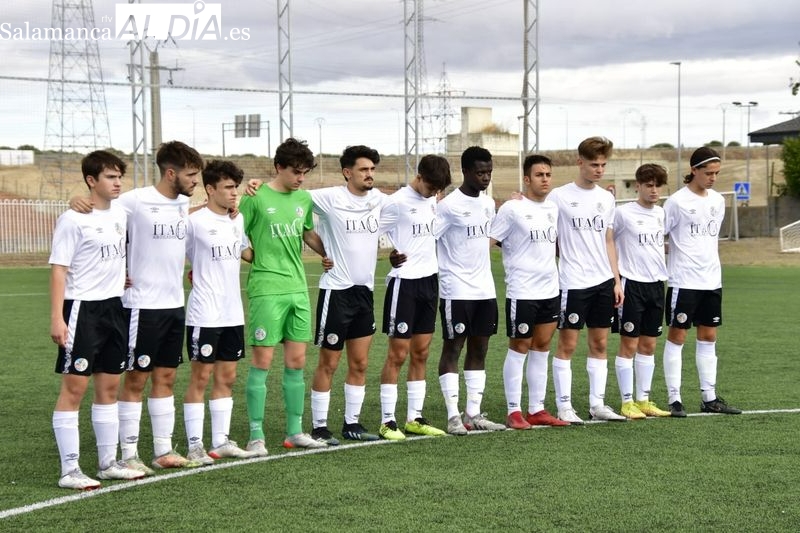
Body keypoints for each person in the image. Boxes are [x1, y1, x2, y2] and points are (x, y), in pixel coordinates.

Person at [50, 151, 145, 489]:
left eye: (119, 176)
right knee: (75, 386)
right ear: (92, 181)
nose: (117, 182)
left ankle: (108, 463)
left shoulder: (121, 212)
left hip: (114, 308)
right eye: (109, 177)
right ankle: (69, 470)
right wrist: (57, 319)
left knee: (109, 386)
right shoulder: (73, 219)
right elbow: (59, 270)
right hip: (81, 310)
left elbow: (168, 205)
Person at [238, 139, 330, 454]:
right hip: (266, 289)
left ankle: (294, 431)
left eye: (304, 173)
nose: (300, 178)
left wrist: (324, 253)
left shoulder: (303, 199)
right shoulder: (255, 197)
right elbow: (235, 233)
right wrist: (255, 258)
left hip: (298, 288)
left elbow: (306, 232)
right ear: (279, 167)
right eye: (296, 172)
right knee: (262, 361)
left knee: (297, 362)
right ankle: (256, 435)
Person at [117, 141, 203, 472]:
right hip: (141, 305)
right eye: (191, 174)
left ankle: (163, 450)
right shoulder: (134, 201)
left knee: (166, 375)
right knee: (136, 378)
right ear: (171, 173)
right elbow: (99, 218)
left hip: (173, 304)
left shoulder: (181, 204)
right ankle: (128, 453)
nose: (195, 181)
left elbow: (195, 215)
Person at [309, 145, 399, 444]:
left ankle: (353, 424)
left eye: (372, 169)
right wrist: (322, 249)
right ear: (348, 172)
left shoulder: (379, 200)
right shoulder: (330, 198)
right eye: (364, 169)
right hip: (336, 291)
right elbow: (292, 204)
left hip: (364, 292)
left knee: (359, 363)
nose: (370, 174)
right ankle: (320, 427)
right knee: (329, 363)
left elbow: (413, 203)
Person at [547, 136, 626, 424]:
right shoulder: (559, 196)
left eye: (603, 164)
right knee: (567, 345)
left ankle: (597, 404)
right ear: (580, 162)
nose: (599, 169)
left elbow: (608, 240)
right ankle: (564, 406)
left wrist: (616, 281)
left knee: (601, 344)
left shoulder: (606, 198)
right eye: (594, 164)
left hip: (603, 282)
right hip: (572, 282)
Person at [182, 160, 256, 465]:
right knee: (201, 377)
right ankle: (195, 445)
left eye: (235, 188)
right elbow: (169, 249)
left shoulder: (236, 221)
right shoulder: (193, 223)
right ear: (209, 189)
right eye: (227, 188)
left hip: (232, 313)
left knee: (228, 377)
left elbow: (248, 254)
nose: (233, 193)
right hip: (204, 314)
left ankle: (221, 441)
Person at [490, 154, 570, 429]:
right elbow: (492, 240)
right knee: (519, 348)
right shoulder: (512, 208)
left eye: (548, 174)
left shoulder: (553, 209)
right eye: (539, 175)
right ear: (527, 179)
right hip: (522, 290)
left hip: (550, 289)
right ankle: (514, 410)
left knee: (542, 348)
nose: (545, 179)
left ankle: (536, 408)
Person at [661, 147, 741, 416]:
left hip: (711, 279)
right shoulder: (675, 202)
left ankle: (710, 397)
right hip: (683, 280)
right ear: (694, 170)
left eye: (717, 173)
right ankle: (674, 398)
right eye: (708, 173)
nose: (713, 178)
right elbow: (657, 237)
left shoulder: (718, 201)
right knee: (678, 336)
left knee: (708, 336)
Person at [377, 155, 452, 440]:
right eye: (431, 186)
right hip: (404, 284)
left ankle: (414, 418)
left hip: (429, 282)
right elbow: (372, 232)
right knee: (398, 354)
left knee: (421, 352)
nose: (433, 192)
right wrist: (390, 253)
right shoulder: (396, 202)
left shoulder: (433, 199)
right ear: (418, 176)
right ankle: (387, 421)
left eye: (438, 189)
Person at [434, 146, 506, 435]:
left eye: (489, 171)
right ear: (465, 172)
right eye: (480, 172)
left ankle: (473, 413)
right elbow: (428, 240)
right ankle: (453, 417)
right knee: (453, 347)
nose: (486, 177)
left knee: (480, 348)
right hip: (456, 289)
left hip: (485, 289)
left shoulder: (488, 204)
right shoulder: (448, 206)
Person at [612, 164, 672, 419]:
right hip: (632, 285)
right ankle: (626, 402)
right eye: (649, 185)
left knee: (648, 345)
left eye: (658, 185)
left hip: (657, 285)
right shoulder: (623, 213)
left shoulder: (661, 214)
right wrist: (616, 280)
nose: (654, 190)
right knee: (629, 344)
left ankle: (644, 399)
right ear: (638, 185)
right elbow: (607, 243)